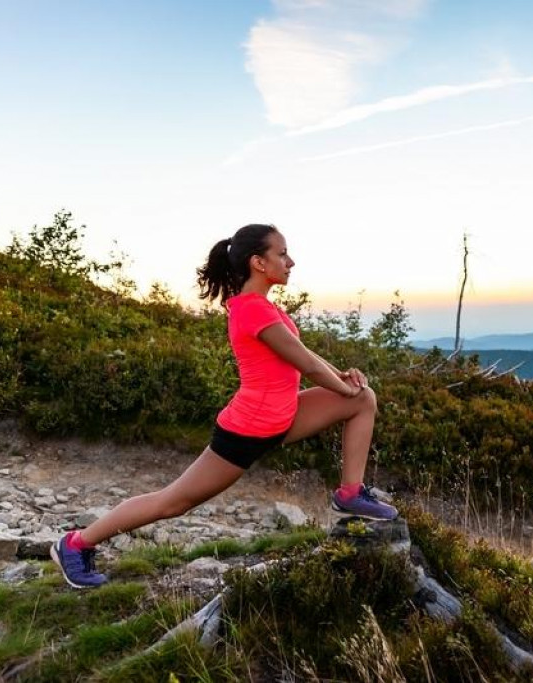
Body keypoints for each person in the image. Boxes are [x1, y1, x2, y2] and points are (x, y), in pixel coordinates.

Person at [51, 223, 398, 588]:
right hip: (246, 431)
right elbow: (307, 365)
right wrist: (340, 387)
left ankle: (349, 494)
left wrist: (342, 377)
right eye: (281, 254)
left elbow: (308, 356)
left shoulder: (267, 308)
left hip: (283, 416)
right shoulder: (252, 310)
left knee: (363, 399)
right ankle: (75, 543)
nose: (290, 261)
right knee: (173, 502)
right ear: (258, 262)